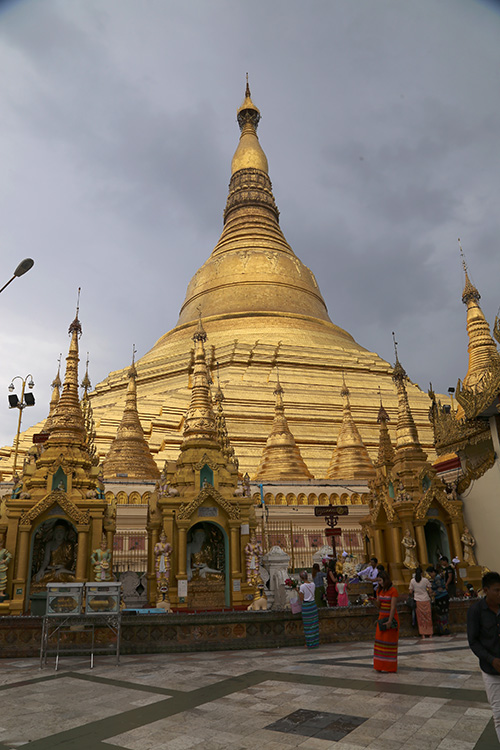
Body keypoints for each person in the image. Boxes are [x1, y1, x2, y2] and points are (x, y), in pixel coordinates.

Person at [467, 571, 500, 742]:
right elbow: (473, 641)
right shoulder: (476, 611)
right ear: (486, 590)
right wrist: (491, 659)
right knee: (499, 714)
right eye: (497, 590)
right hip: (490, 669)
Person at [373, 570, 399, 672]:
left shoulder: (393, 591)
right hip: (381, 616)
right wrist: (374, 601)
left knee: (389, 642)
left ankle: (389, 666)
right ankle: (379, 665)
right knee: (380, 642)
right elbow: (379, 605)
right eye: (378, 580)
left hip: (390, 617)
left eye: (380, 580)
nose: (379, 582)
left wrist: (390, 620)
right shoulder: (379, 591)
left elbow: (393, 607)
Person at [409, 567, 433, 638]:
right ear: (422, 573)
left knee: (421, 618)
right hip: (426, 599)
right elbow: (430, 590)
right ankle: (430, 633)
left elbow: (410, 591)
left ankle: (423, 634)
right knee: (428, 616)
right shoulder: (425, 580)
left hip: (418, 600)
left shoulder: (413, 581)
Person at [298, 570, 319, 649]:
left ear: (301, 578)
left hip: (306, 606)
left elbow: (301, 598)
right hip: (313, 605)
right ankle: (315, 642)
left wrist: (297, 591)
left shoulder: (302, 586)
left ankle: (309, 643)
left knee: (308, 626)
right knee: (314, 625)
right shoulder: (313, 584)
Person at [427, 565, 450, 635]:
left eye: (430, 574)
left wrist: (433, 594)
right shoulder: (437, 578)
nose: (430, 576)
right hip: (441, 597)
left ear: (433, 572)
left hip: (441, 597)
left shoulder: (437, 578)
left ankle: (444, 630)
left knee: (442, 614)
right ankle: (443, 630)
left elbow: (440, 589)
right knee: (442, 614)